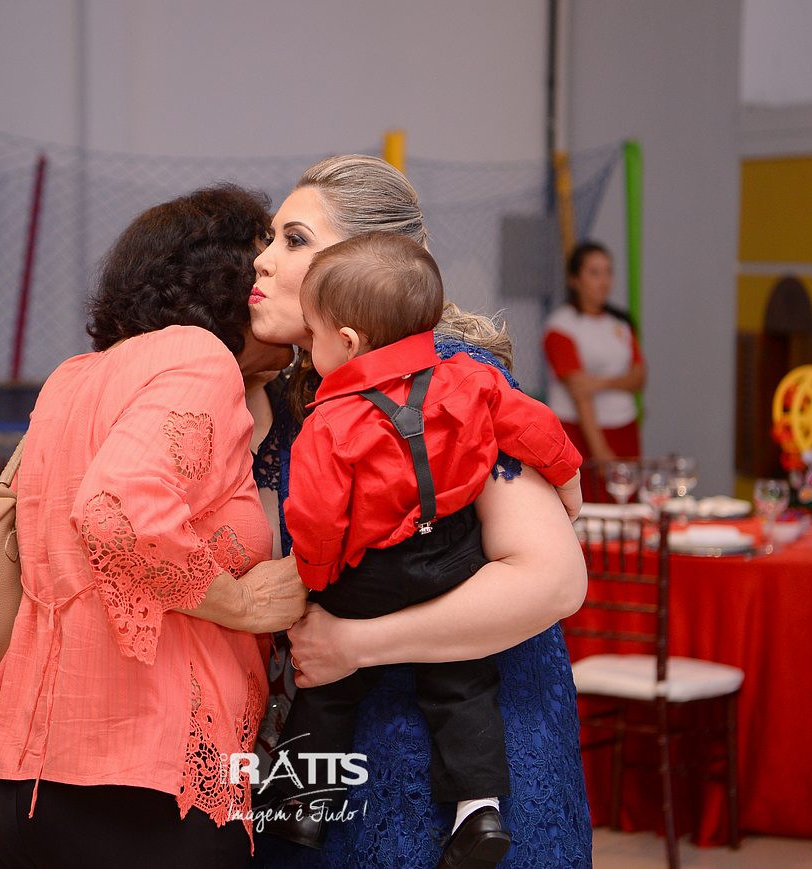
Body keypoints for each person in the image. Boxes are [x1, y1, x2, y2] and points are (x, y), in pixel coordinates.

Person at [247, 155, 592, 869]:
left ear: (367, 265)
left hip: (464, 753)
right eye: (269, 238)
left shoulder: (447, 378)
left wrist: (354, 644)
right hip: (348, 750)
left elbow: (553, 581)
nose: (264, 259)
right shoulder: (300, 390)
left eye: (295, 240)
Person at [0, 184, 308, 869]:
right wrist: (239, 603)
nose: (273, 278)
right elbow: (116, 512)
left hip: (34, 779)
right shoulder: (200, 359)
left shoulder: (75, 377)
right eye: (264, 260)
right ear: (230, 285)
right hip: (146, 787)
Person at [543, 241, 646, 462]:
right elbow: (579, 392)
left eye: (608, 272)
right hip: (580, 433)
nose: (604, 281)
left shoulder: (620, 323)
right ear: (574, 279)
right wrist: (599, 450)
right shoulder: (561, 326)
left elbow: (639, 377)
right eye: (595, 273)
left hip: (624, 426)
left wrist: (599, 383)